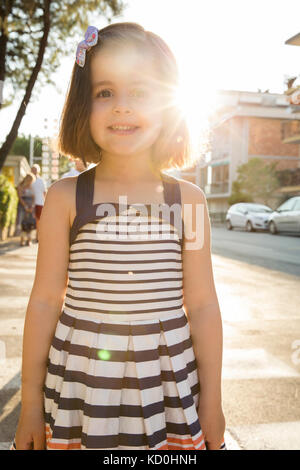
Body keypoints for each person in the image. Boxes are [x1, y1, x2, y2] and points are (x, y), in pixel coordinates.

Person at [12, 23, 226, 450]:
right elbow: (44, 300)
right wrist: (31, 403)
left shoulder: (190, 200)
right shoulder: (65, 196)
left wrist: (214, 402)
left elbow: (201, 304)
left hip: (167, 386)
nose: (121, 108)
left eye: (141, 93)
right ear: (81, 106)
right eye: (104, 92)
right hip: (82, 385)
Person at [16, 173, 36, 247]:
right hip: (22, 207)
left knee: (30, 223)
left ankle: (29, 240)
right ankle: (22, 240)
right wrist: (25, 207)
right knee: (22, 223)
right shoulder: (20, 186)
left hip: (31, 207)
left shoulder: (32, 187)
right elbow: (20, 197)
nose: (31, 182)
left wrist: (32, 206)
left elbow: (34, 197)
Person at [31, 164, 46, 243]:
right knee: (30, 220)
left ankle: (37, 237)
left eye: (35, 169)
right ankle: (29, 238)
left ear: (38, 171)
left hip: (40, 203)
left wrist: (46, 203)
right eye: (32, 169)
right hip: (31, 203)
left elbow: (44, 192)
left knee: (39, 221)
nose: (34, 171)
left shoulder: (41, 180)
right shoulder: (29, 180)